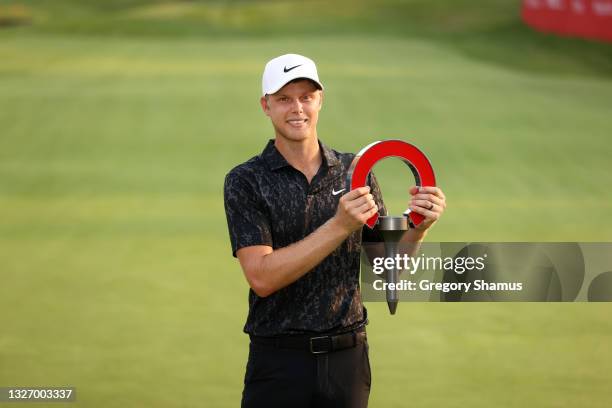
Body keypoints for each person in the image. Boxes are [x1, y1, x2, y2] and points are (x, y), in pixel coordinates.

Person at [223, 53, 446, 408]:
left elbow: (384, 271)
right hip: (279, 361)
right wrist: (340, 226)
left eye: (306, 97)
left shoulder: (355, 171)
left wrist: (419, 228)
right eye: (283, 99)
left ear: (320, 100)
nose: (297, 108)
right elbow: (262, 277)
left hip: (348, 358)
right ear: (265, 106)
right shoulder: (246, 181)